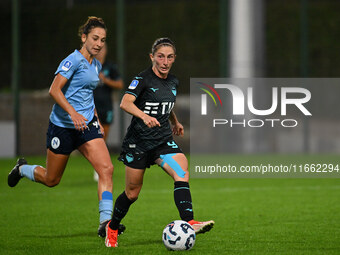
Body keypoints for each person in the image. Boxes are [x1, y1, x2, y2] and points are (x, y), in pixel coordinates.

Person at [7, 16, 124, 238]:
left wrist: (95, 117)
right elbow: (54, 90)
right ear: (84, 37)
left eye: (103, 40)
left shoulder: (96, 64)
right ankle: (22, 169)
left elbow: (86, 95)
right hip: (62, 127)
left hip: (87, 126)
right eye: (95, 38)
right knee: (52, 179)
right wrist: (73, 113)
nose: (99, 44)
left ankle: (106, 223)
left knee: (106, 170)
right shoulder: (72, 60)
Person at [104, 38, 215, 248]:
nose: (165, 61)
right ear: (152, 57)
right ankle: (113, 226)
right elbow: (125, 102)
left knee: (182, 172)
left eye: (169, 57)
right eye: (161, 56)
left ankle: (189, 221)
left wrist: (175, 121)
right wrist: (144, 116)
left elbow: (167, 103)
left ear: (174, 58)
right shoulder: (142, 79)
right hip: (139, 144)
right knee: (132, 193)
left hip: (162, 141)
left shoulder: (173, 81)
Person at [93, 43, 123, 182]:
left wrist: (106, 80)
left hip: (106, 106)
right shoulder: (88, 65)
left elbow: (120, 84)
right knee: (94, 138)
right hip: (91, 107)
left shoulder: (110, 67)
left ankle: (98, 167)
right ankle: (98, 165)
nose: (100, 51)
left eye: (103, 48)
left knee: (103, 136)